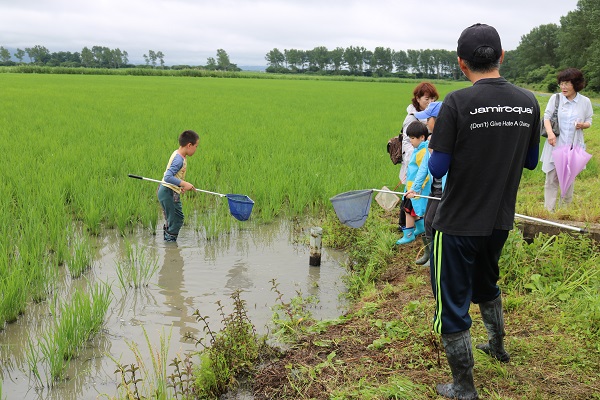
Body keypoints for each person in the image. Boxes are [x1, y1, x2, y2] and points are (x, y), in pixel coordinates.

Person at [427, 23, 540, 399]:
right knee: (486, 282)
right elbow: (531, 161)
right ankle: (497, 345)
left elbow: (438, 169)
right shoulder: (528, 101)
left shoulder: (457, 103)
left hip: (457, 222)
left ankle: (463, 387)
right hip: (499, 220)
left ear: (462, 63)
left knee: (451, 303)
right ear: (501, 56)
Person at [540, 68, 593, 211]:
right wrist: (550, 133)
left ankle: (565, 210)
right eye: (561, 83)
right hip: (555, 144)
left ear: (576, 84)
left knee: (569, 180)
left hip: (573, 146)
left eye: (567, 84)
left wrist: (583, 125)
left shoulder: (585, 101)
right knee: (551, 179)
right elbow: (547, 117)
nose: (563, 87)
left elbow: (589, 120)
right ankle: (548, 210)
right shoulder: (555, 98)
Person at [405, 101, 444, 266]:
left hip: (447, 191)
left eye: (429, 119)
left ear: (439, 120)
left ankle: (438, 257)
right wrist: (414, 188)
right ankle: (430, 254)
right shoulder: (430, 142)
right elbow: (423, 169)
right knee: (428, 221)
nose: (426, 123)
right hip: (435, 191)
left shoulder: (452, 140)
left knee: (440, 224)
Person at [158, 130, 200, 242]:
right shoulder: (179, 160)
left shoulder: (178, 154)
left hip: (169, 190)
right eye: (196, 146)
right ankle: (170, 247)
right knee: (177, 219)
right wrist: (184, 183)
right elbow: (168, 177)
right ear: (189, 145)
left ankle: (169, 244)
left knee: (174, 219)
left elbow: (174, 176)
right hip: (168, 191)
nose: (196, 149)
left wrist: (179, 186)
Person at [395, 121, 431, 245]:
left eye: (413, 138)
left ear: (422, 137)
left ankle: (408, 235)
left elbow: (425, 172)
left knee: (408, 210)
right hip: (410, 187)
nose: (411, 141)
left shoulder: (422, 152)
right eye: (410, 138)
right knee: (412, 210)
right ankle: (421, 228)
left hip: (414, 190)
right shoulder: (419, 149)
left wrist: (417, 188)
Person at [399, 82, 439, 185]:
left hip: (431, 162)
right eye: (427, 99)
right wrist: (418, 160)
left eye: (432, 98)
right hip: (417, 164)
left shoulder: (435, 114)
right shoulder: (412, 118)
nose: (430, 102)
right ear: (418, 98)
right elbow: (407, 143)